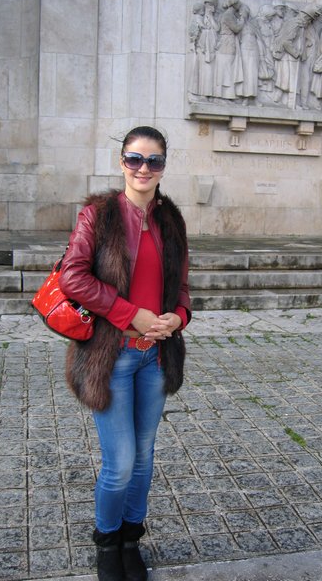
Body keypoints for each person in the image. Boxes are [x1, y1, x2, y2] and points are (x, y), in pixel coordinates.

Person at [59, 126, 191, 581]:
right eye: (134, 159)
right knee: (120, 464)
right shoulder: (98, 215)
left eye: (153, 161)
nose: (143, 168)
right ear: (122, 162)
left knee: (145, 457)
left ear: (163, 167)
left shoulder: (171, 220)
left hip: (155, 358)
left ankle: (131, 539)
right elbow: (72, 277)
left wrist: (177, 318)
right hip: (111, 358)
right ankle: (107, 542)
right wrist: (129, 313)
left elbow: (182, 288)